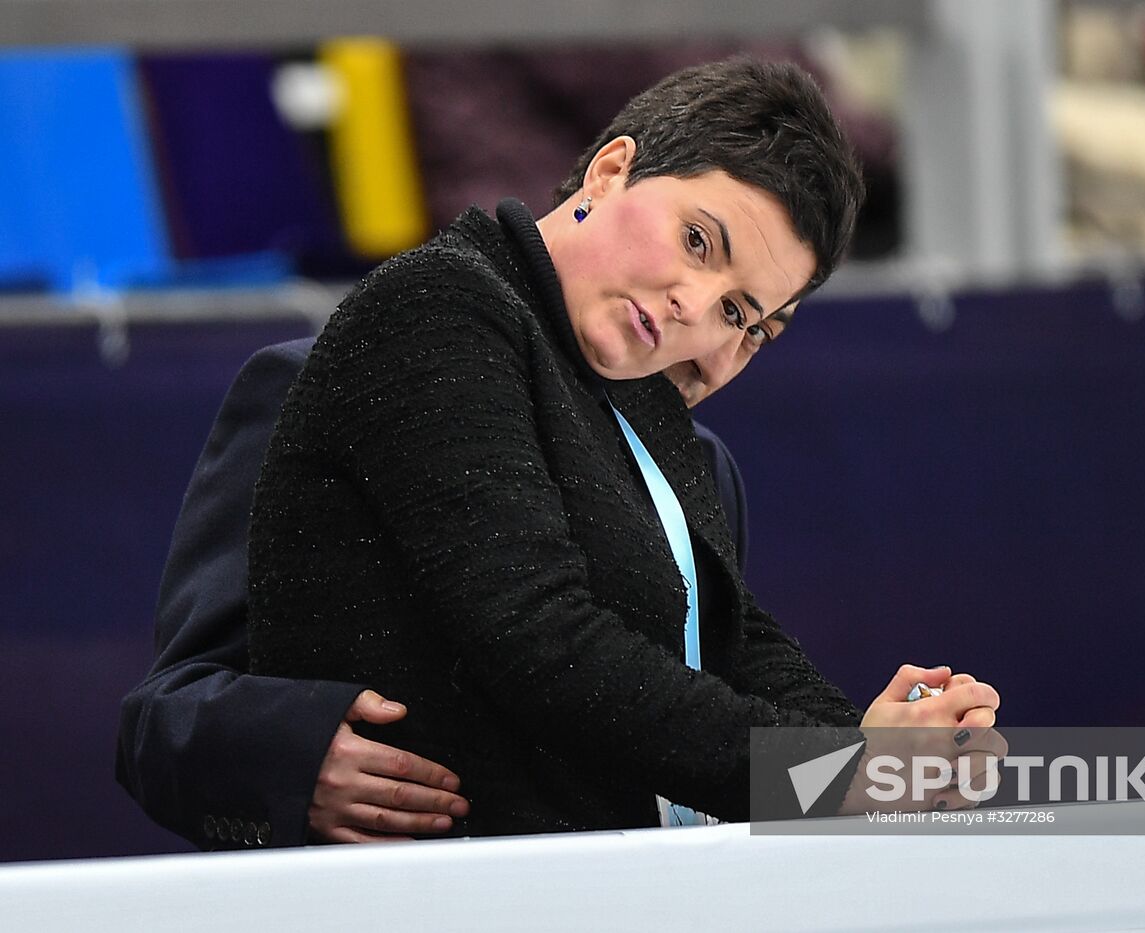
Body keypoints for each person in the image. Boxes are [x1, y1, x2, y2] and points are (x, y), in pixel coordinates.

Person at [244, 57, 999, 838]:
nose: (695, 310)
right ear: (610, 171)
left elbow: (730, 638)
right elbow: (546, 645)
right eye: (698, 241)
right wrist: (835, 772)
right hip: (447, 887)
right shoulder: (438, 305)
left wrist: (881, 749)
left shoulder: (631, 389)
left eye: (738, 314)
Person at [116, 332, 765, 850]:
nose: (716, 358)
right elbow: (162, 720)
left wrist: (834, 798)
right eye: (700, 250)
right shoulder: (327, 386)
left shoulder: (700, 472)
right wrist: (294, 757)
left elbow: (725, 747)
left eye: (758, 326)